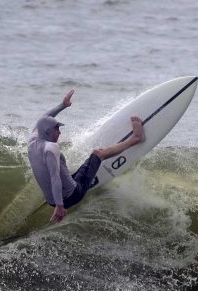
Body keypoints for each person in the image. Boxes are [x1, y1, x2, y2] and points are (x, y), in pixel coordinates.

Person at [27, 90, 145, 224]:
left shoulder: (33, 140)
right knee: (98, 153)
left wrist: (63, 105)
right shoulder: (51, 148)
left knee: (74, 169)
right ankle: (136, 138)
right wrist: (60, 206)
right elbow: (54, 177)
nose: (59, 133)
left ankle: (61, 198)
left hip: (51, 200)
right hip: (72, 195)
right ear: (48, 131)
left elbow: (44, 118)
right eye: (56, 129)